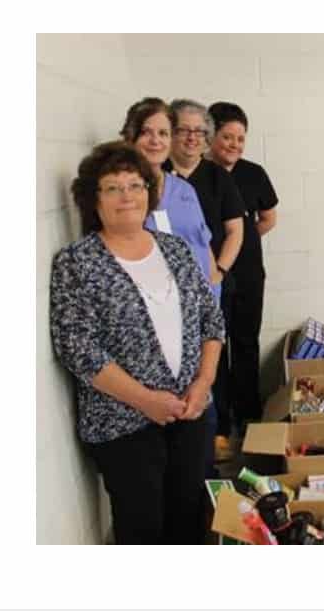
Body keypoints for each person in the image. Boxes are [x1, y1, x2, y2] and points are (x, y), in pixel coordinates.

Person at [49, 141, 225, 544]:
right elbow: (77, 346)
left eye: (135, 185)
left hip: (191, 411)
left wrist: (203, 383)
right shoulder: (78, 262)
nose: (127, 196)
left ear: (149, 192)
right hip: (123, 424)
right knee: (142, 528)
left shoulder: (175, 249)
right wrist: (145, 399)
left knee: (190, 518)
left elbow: (211, 320)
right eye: (112, 188)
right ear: (93, 200)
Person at [164, 99, 246, 464]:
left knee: (213, 359)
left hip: (211, 287)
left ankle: (217, 432)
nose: (193, 138)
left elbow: (235, 230)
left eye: (200, 132)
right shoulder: (156, 175)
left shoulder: (217, 177)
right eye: (184, 130)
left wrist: (220, 271)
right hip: (166, 292)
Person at [206, 102, 278, 437]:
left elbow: (268, 218)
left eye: (240, 138)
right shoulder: (197, 176)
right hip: (211, 275)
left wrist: (245, 241)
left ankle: (248, 413)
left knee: (246, 341)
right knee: (214, 346)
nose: (234, 144)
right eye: (226, 137)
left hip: (248, 271)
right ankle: (219, 421)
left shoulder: (253, 174)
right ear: (210, 136)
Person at [120, 98, 214, 287]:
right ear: (130, 137)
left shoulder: (185, 190)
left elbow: (202, 243)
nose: (156, 141)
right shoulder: (121, 193)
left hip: (202, 302)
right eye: (146, 132)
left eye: (163, 133)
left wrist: (214, 280)